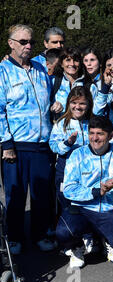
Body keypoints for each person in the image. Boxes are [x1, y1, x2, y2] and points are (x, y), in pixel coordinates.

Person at [56, 115, 113, 268]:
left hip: (111, 209)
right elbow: (68, 189)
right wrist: (96, 192)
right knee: (63, 232)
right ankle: (77, 247)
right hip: (83, 209)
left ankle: (108, 240)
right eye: (91, 133)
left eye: (100, 134)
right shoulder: (77, 154)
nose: (94, 138)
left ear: (111, 136)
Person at [0, 24, 57, 255]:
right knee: (15, 195)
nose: (28, 46)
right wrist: (6, 144)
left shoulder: (40, 68)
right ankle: (13, 239)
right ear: (11, 44)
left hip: (42, 144)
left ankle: (41, 235)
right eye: (23, 42)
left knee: (42, 195)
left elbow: (50, 97)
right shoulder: (2, 71)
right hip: (16, 146)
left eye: (31, 42)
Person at [49, 86, 95, 254]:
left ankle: (88, 235)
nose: (78, 107)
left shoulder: (93, 122)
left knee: (86, 204)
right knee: (68, 206)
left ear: (88, 104)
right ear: (68, 103)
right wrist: (67, 143)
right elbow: (54, 146)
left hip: (88, 173)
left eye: (82, 103)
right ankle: (71, 243)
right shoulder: (62, 122)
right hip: (65, 172)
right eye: (74, 103)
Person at [51, 47, 89, 115]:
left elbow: (95, 110)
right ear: (61, 64)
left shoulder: (87, 84)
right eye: (68, 60)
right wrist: (52, 107)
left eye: (76, 60)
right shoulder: (53, 82)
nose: (72, 64)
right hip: (59, 124)